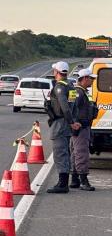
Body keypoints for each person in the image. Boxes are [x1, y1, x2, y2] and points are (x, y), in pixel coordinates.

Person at [46, 61, 81, 194]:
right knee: (65, 152)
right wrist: (73, 121)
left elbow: (65, 107)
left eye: (54, 70)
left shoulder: (60, 87)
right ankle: (64, 182)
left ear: (57, 72)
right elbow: (74, 106)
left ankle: (62, 184)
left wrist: (72, 122)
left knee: (60, 153)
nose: (53, 72)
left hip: (60, 123)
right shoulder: (71, 86)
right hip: (66, 123)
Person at [69, 68, 98, 191]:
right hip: (80, 127)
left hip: (82, 126)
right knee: (81, 153)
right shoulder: (78, 92)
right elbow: (70, 108)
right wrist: (75, 123)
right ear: (85, 78)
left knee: (76, 153)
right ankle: (83, 181)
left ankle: (75, 179)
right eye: (91, 79)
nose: (92, 81)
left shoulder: (81, 92)